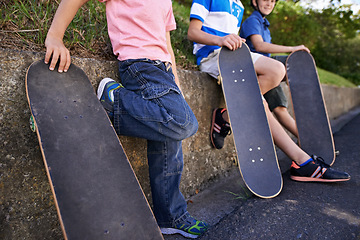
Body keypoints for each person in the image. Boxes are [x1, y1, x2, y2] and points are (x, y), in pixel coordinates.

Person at [44, 0, 208, 238]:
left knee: (169, 138)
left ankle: (170, 216)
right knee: (183, 123)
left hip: (164, 72)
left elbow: (166, 43)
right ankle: (114, 102)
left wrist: (176, 84)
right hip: (139, 65)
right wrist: (55, 37)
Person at [187, 0, 350, 182]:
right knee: (258, 104)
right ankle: (302, 163)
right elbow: (192, 32)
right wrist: (221, 39)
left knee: (277, 71)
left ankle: (226, 118)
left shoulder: (238, 6)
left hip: (235, 58)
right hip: (214, 57)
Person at [240, 0, 310, 138]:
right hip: (258, 69)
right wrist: (292, 49)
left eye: (272, 1)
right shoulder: (252, 21)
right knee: (296, 64)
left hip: (270, 71)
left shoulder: (265, 25)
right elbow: (259, 46)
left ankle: (311, 143)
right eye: (265, 0)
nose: (269, 4)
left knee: (280, 110)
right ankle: (310, 142)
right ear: (254, 1)